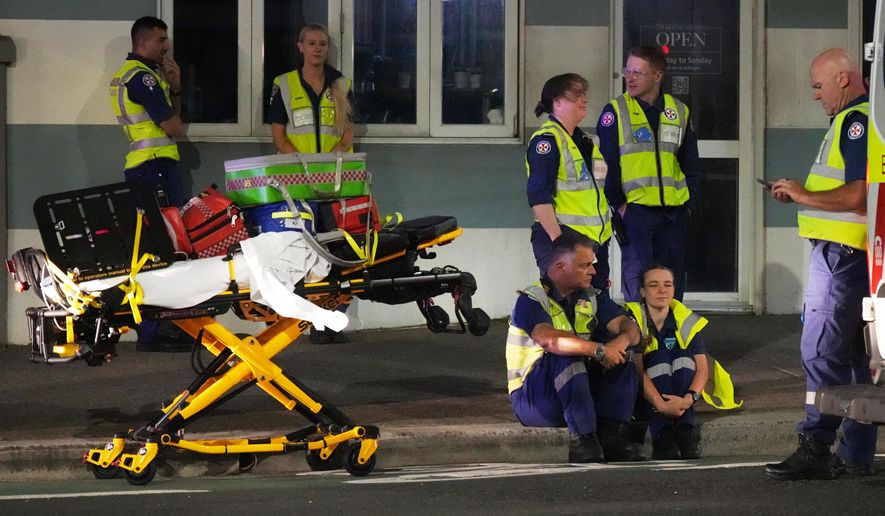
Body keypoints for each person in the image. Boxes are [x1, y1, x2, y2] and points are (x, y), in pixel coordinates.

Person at [765, 48, 877, 480]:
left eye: (817, 85)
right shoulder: (860, 120)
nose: (815, 95)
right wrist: (796, 194)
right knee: (854, 358)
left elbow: (857, 193)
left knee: (821, 352)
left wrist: (802, 194)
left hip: (840, 255)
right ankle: (856, 452)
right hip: (854, 255)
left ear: (844, 80)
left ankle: (815, 445)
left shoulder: (855, 121)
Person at [506, 232, 644, 463]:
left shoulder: (591, 296)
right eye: (585, 266)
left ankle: (613, 438)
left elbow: (629, 327)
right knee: (567, 354)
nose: (593, 271)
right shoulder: (532, 299)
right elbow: (549, 339)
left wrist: (618, 345)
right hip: (534, 400)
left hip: (577, 395)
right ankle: (584, 441)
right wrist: (599, 350)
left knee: (624, 355)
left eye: (592, 265)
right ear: (560, 267)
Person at [268, 24, 354, 344]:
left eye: (323, 44)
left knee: (338, 247)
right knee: (306, 250)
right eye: (312, 43)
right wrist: (305, 168)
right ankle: (313, 320)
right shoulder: (284, 84)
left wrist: (333, 161)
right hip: (299, 181)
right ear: (300, 46)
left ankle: (334, 318)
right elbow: (279, 137)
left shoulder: (340, 84)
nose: (318, 49)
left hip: (333, 180)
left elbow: (347, 132)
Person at [596, 45, 701, 303]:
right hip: (636, 211)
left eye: (638, 72)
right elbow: (605, 164)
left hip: (673, 212)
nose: (629, 78)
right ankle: (639, 338)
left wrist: (690, 205)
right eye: (627, 71)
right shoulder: (616, 111)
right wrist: (620, 205)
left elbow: (690, 163)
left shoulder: (679, 111)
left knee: (671, 278)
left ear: (657, 76)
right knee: (637, 278)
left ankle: (669, 337)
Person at [109, 16, 189, 352]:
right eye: (161, 40)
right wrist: (173, 90)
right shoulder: (142, 77)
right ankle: (153, 332)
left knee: (159, 249)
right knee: (158, 250)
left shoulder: (139, 75)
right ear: (143, 42)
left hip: (148, 169)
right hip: (152, 169)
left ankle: (158, 328)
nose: (166, 46)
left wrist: (175, 87)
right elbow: (174, 127)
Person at [526, 74, 612, 295]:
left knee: (594, 309)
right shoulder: (547, 141)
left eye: (584, 93)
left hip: (594, 242)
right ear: (557, 102)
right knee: (565, 309)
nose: (584, 99)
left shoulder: (588, 142)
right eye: (575, 94)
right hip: (565, 242)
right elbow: (538, 196)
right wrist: (560, 243)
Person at [625, 264, 708, 460]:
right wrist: (662, 406)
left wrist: (688, 400)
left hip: (683, 396)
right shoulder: (633, 320)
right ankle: (662, 434)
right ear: (643, 292)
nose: (662, 290)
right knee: (659, 357)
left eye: (668, 285)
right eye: (654, 285)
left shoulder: (685, 319)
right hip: (642, 394)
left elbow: (702, 369)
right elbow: (637, 372)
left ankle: (684, 431)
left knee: (683, 358)